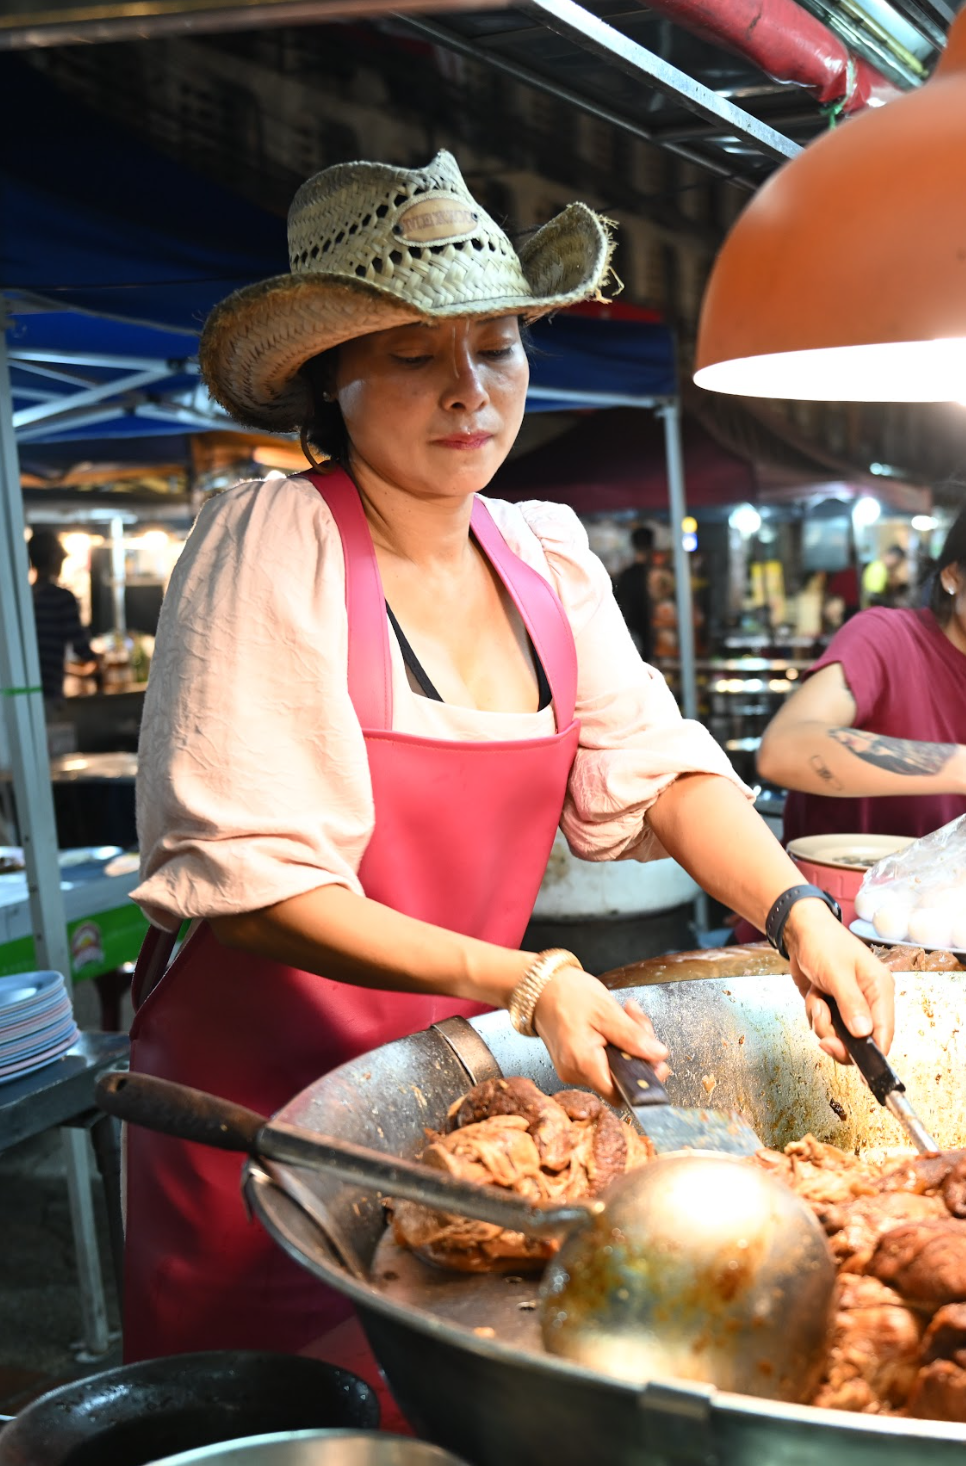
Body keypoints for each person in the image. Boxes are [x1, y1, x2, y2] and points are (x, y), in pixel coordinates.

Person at [131, 155, 894, 1358]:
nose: (469, 391)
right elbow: (262, 890)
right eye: (416, 354)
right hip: (265, 1128)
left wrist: (800, 914)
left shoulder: (544, 554)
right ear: (332, 379)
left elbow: (665, 770)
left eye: (496, 347)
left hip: (460, 1106)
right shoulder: (274, 542)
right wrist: (526, 980)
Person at [760, 459, 966, 847]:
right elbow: (783, 750)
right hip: (827, 904)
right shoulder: (883, 638)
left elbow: (948, 838)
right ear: (954, 574)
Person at [27, 529, 96, 701]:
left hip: (26, 690)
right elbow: (81, 646)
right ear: (53, 559)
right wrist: (97, 660)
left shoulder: (26, 597)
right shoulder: (61, 598)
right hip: (49, 691)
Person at [611, 524, 657, 661]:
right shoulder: (657, 574)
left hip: (632, 637)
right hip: (652, 639)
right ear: (651, 546)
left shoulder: (626, 576)